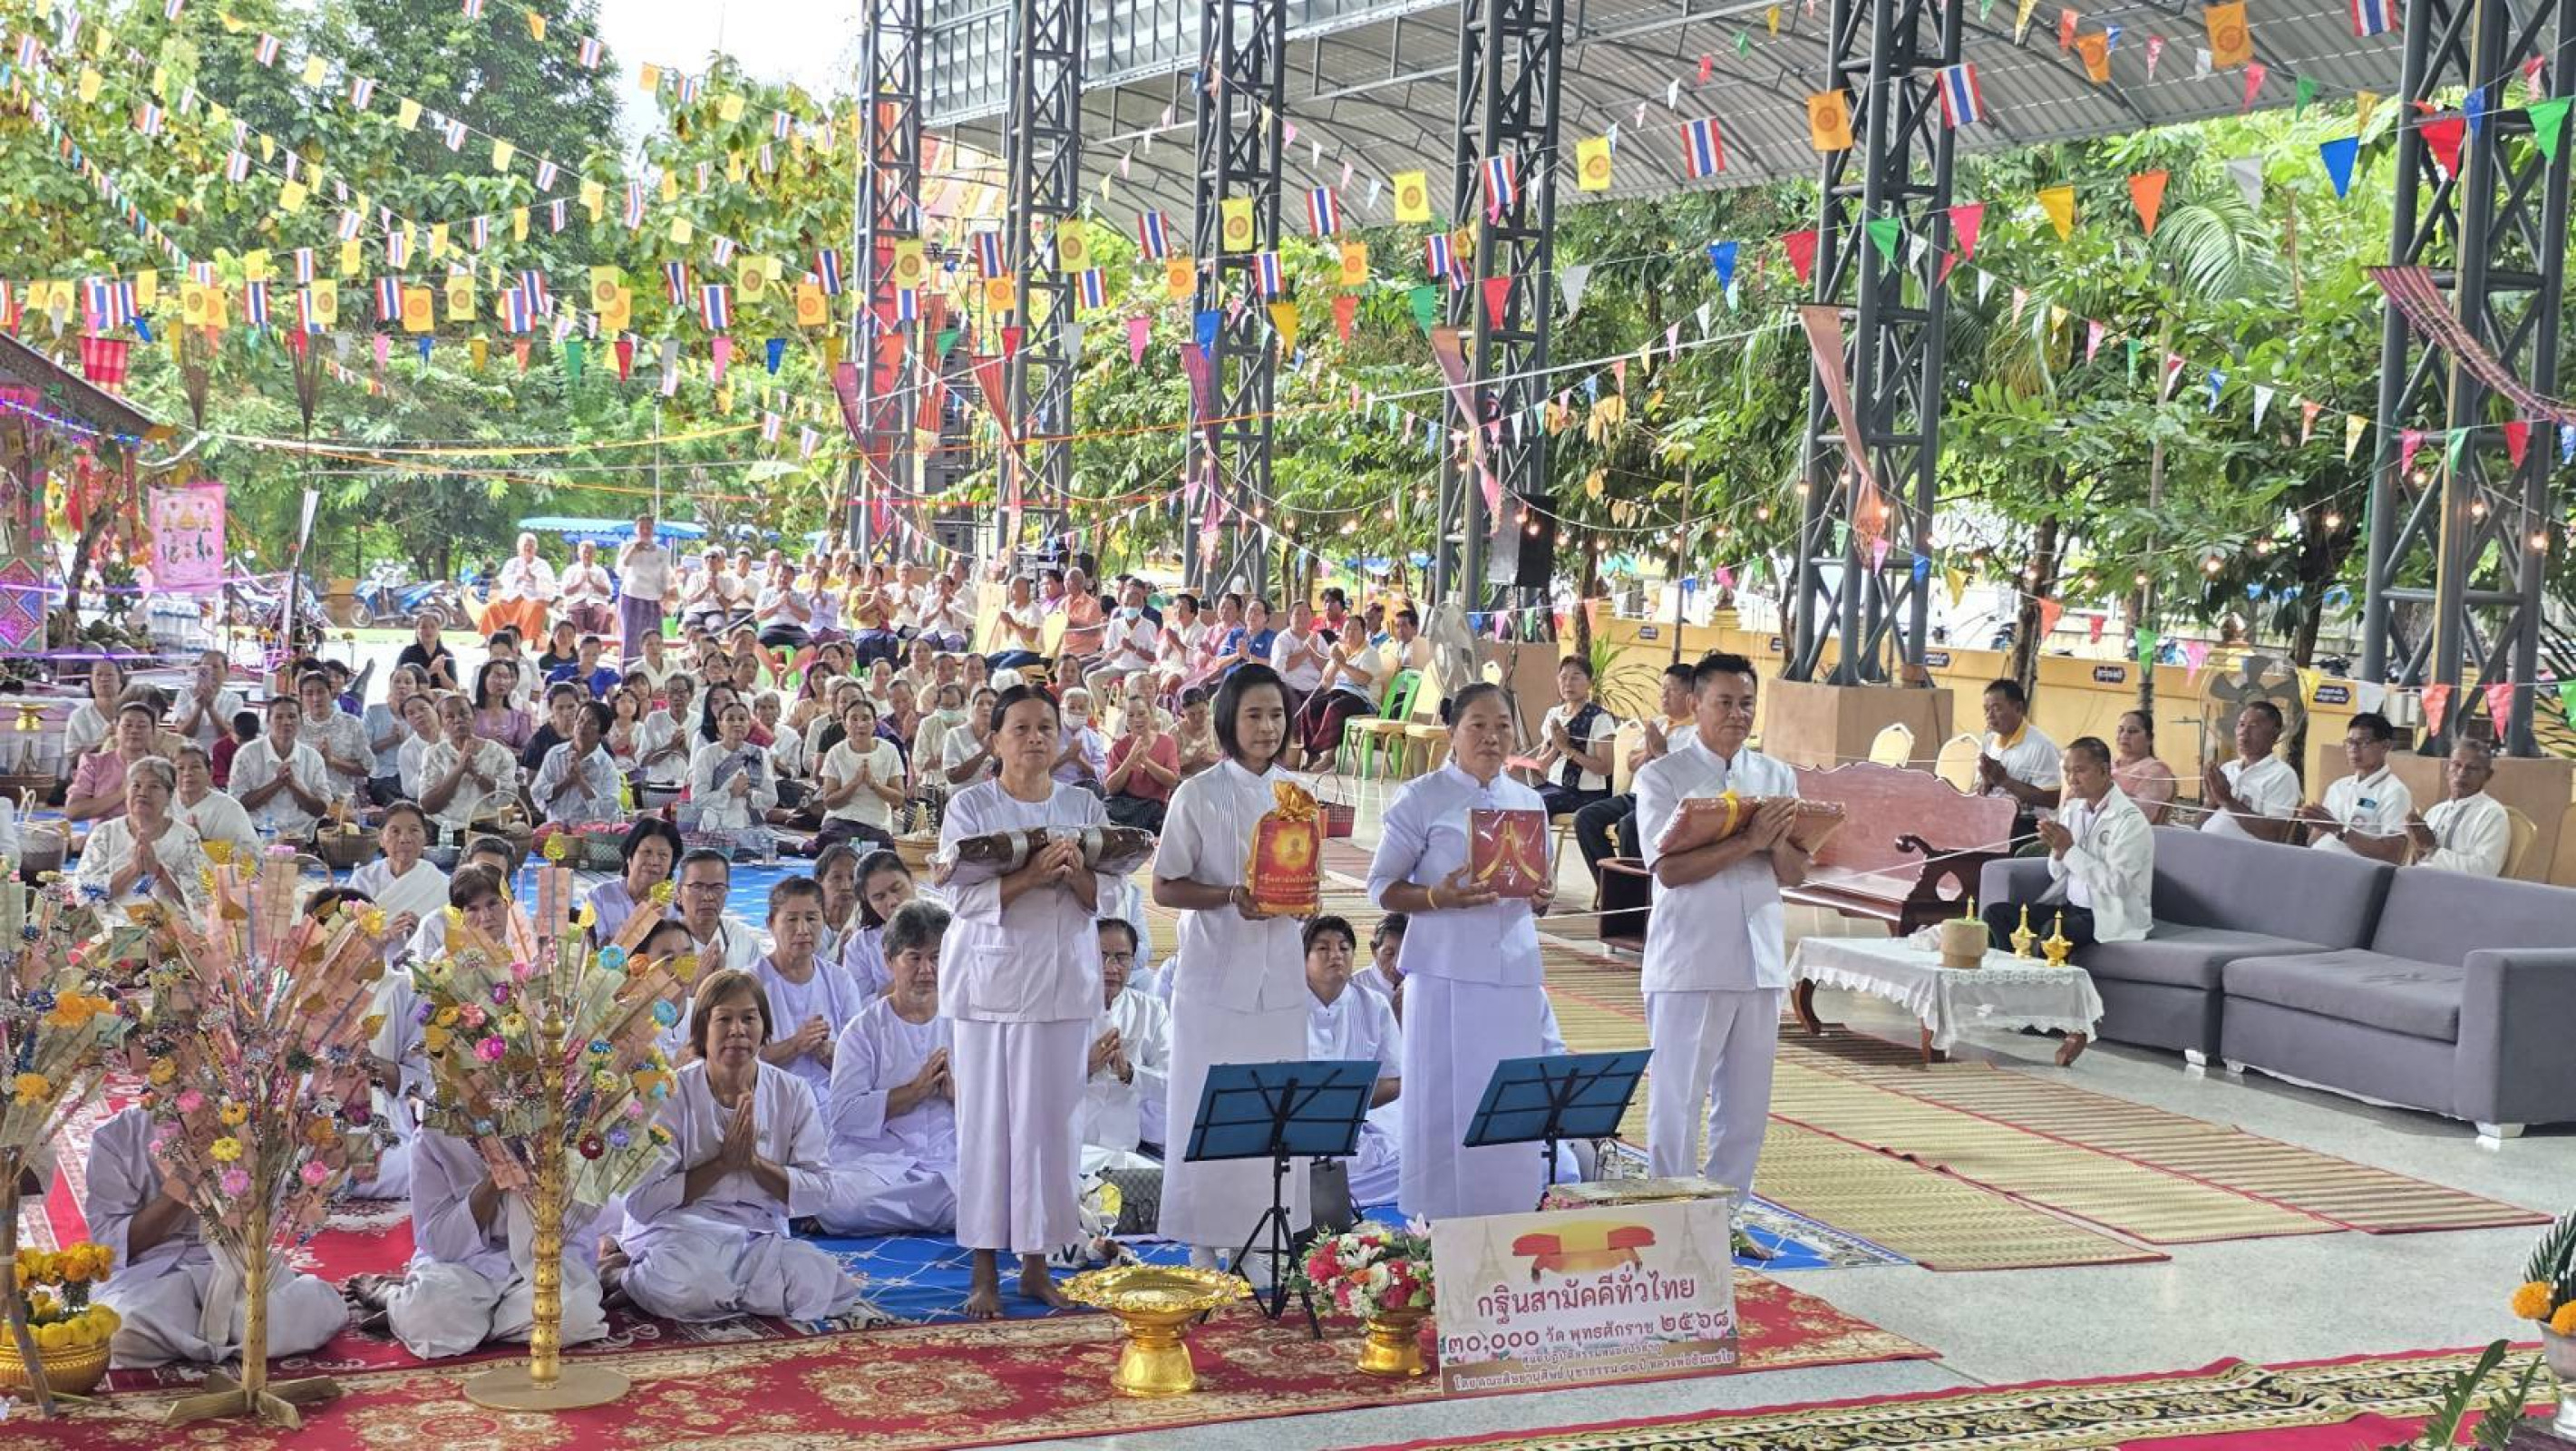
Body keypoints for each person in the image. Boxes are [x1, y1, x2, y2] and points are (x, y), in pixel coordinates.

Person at [938, 686, 1109, 1315]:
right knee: (987, 1127)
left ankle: (1037, 1265)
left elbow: (1111, 898)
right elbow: (957, 896)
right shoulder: (971, 806)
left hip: (1062, 984)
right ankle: (983, 1270)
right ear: (995, 739)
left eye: (1045, 727)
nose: (1034, 738)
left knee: (1052, 1128)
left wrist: (1075, 876)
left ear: (1061, 738)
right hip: (989, 989)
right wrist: (1031, 877)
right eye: (1020, 728)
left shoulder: (1082, 805)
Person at [1367, 682, 1556, 1220]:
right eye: (1478, 725)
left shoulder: (1528, 800)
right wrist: (1435, 896)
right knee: (1443, 1100)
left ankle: (1508, 1217)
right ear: (1453, 730)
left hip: (1514, 972)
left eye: (1503, 726)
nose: (1492, 738)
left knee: (1507, 1099)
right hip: (1445, 971)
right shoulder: (1422, 796)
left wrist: (1540, 897)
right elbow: (1381, 884)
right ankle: (1437, 1226)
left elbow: (1536, 893)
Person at [1153, 664, 1316, 1264]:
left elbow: (1303, 873)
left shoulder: (1297, 796)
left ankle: (1265, 1241)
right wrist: (1228, 898)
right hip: (1215, 975)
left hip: (1278, 977)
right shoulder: (1198, 794)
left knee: (1273, 1104)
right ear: (1229, 721)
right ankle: (1203, 1240)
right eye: (1253, 714)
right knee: (1210, 1104)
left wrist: (1301, 900)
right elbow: (1166, 886)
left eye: (1276, 714)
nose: (1267, 727)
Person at [1633, 652, 1810, 1201]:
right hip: (1692, 958)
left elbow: (1796, 873)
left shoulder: (1776, 775)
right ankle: (1673, 1208)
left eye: (1747, 703)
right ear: (1695, 705)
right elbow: (1668, 870)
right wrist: (1746, 843)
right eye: (1725, 703)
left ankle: (1730, 1212)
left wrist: (1776, 841)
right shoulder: (1664, 777)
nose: (1737, 714)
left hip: (1758, 959)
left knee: (1747, 1103)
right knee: (1678, 1098)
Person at [609, 970, 870, 1323]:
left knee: (822, 1281)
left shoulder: (791, 1092)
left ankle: (726, 1292)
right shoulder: (671, 1094)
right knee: (690, 1286)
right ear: (702, 1030)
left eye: (749, 1018)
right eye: (724, 1020)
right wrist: (720, 1165)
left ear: (765, 1027)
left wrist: (752, 1164)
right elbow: (640, 1203)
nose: (738, 1030)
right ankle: (629, 1275)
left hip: (756, 1238)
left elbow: (820, 1193)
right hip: (681, 1233)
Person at [84, 1104, 349, 1368]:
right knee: (121, 1331)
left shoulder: (243, 1117)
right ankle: (234, 1335)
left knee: (322, 1309)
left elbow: (276, 1211)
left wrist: (299, 1157)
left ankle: (218, 1334)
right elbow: (111, 1248)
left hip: (238, 1263)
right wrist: (183, 1186)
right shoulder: (116, 1136)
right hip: (156, 1276)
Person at [371, 1122, 610, 1359]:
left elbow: (584, 1212)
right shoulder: (435, 1132)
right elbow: (439, 1241)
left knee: (573, 1318)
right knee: (427, 1318)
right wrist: (495, 1179)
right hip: (464, 1264)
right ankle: (399, 1298)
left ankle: (476, 1321)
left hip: (546, 1257)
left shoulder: (565, 1113)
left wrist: (540, 1165)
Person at [817, 900, 960, 1235]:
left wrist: (958, 1095)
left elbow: (998, 1111)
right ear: (888, 961)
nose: (926, 970)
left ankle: (945, 1210)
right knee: (839, 1204)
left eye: (936, 958)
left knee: (1006, 1189)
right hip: (881, 1164)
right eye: (914, 957)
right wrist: (912, 1093)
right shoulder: (863, 1030)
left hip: (949, 1160)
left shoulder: (965, 1024)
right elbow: (844, 1114)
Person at [1982, 737, 2153, 961]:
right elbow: (2058, 874)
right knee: (1996, 915)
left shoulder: (2129, 820)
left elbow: (2117, 884)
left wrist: (2069, 850)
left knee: (2054, 932)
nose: (2072, 779)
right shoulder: (2074, 810)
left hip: (2109, 914)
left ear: (2103, 770)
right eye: (2067, 771)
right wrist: (2057, 850)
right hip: (2072, 908)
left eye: (2080, 771)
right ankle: (2013, 972)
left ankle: (2032, 986)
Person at [1302, 915, 1403, 1206]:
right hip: (1296, 1136)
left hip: (1355, 1130)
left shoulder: (1373, 1004)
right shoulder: (1283, 1007)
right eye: (1323, 948)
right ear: (1303, 959)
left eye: (1344, 948)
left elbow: (1394, 1081)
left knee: (1413, 1171)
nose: (1336, 955)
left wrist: (1345, 1103)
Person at [1574, 662, 1696, 882]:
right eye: (1662, 689)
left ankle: (1637, 895)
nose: (1664, 696)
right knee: (1585, 818)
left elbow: (1684, 778)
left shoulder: (1696, 733)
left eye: (1672, 690)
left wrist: (1660, 752)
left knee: (1629, 826)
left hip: (1667, 801)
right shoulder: (1659, 723)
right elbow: (1631, 762)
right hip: (1636, 796)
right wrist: (1649, 751)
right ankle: (1611, 886)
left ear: (1690, 696)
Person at [753, 876, 872, 1102]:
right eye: (791, 920)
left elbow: (860, 1058)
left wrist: (828, 1052)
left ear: (824, 920)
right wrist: (795, 1045)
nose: (802, 929)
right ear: (770, 924)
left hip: (831, 1101)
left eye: (811, 918)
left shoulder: (840, 980)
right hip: (771, 1101)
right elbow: (741, 1060)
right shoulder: (751, 983)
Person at [1078, 918, 1171, 1175]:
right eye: (1102, 956)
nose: (1111, 968)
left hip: (1125, 1154)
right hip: (1071, 1151)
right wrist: (1084, 1068)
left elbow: (1173, 1085)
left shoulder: (1150, 1011)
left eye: (1121, 958)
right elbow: (1035, 1086)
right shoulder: (1063, 1011)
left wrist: (1131, 1074)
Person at [73, 758, 208, 907]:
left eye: (154, 787)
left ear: (170, 796)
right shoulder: (105, 833)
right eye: (136, 785)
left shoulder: (186, 837)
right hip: (113, 924)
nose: (143, 793)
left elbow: (200, 903)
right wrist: (132, 870)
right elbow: (83, 896)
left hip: (172, 925)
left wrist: (158, 872)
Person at [2298, 712, 2415, 857]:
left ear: (2385, 746)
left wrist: (2338, 829)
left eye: (2363, 743)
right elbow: (2312, 842)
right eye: (2350, 742)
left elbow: (2392, 855)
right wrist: (2317, 823)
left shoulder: (2394, 792)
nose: (2354, 749)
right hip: (2319, 859)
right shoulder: (2338, 787)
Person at [421, 695, 522, 843]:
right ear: (442, 723)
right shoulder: (434, 754)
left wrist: (475, 772)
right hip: (445, 833)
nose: (458, 720)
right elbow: (428, 806)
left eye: (463, 713)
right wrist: (460, 769)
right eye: (449, 716)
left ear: (474, 716)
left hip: (487, 832)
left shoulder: (499, 753)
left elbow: (507, 797)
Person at [230, 696, 334, 840]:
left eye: (292, 716)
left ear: (301, 721)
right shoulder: (247, 754)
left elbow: (320, 809)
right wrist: (276, 784)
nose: (286, 722)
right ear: (267, 721)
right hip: (258, 831)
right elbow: (238, 803)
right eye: (278, 717)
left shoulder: (313, 757)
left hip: (304, 833)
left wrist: (294, 786)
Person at [2406, 736, 2513, 875]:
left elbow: (2485, 871)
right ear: (2446, 770)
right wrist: (2416, 849)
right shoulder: (2435, 811)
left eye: (2472, 768)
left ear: (2488, 775)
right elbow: (2419, 862)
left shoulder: (2492, 814)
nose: (2462, 773)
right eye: (2457, 765)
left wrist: (2433, 849)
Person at [1527, 656, 1617, 819]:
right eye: (1563, 677)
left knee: (1534, 805)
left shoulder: (1600, 718)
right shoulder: (1553, 715)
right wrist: (1556, 747)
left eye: (1575, 677)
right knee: (1520, 800)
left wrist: (1567, 750)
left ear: (1590, 682)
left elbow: (1606, 768)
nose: (1568, 683)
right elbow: (1542, 765)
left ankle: (1537, 845)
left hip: (1586, 794)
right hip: (1554, 787)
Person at [2198, 700, 2299, 842]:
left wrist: (2228, 800)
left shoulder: (2283, 775)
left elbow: (2274, 834)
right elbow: (2199, 826)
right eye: (2241, 725)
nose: (2243, 733)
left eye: (2254, 726)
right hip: (2206, 844)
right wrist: (2211, 802)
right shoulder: (2228, 768)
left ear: (2275, 734)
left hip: (2245, 856)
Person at [816, 696, 906, 849]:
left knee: (875, 854)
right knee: (835, 849)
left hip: (875, 824)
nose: (860, 725)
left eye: (866, 719)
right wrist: (854, 783)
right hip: (840, 821)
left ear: (875, 723)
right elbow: (829, 802)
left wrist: (874, 785)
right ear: (845, 725)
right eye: (854, 719)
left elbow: (899, 798)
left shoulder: (889, 750)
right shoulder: (836, 752)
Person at [686, 698, 777, 846]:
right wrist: (730, 793)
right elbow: (697, 800)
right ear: (720, 725)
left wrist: (748, 794)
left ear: (749, 724)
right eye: (730, 719)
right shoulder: (708, 754)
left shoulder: (759, 754)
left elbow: (771, 798)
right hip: (717, 831)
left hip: (752, 828)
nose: (737, 723)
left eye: (742, 719)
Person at [349, 803, 449, 935]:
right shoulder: (363, 878)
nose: (404, 839)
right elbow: (348, 931)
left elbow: (451, 936)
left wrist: (424, 930)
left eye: (414, 830)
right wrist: (386, 935)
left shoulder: (439, 883)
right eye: (395, 831)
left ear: (425, 838)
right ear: (381, 839)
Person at [1974, 679, 2063, 824]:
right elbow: (1981, 792)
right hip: (1991, 818)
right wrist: (1986, 781)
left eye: (1996, 708)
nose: (1989, 715)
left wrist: (2005, 781)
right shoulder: (1988, 741)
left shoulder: (2042, 746)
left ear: (2018, 708)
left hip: (2027, 825)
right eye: (1986, 709)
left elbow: (2053, 799)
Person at [588, 816, 685, 942]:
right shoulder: (600, 896)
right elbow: (599, 952)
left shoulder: (678, 903)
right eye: (647, 852)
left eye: (663, 855)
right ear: (630, 856)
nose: (654, 861)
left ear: (671, 864)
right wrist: (642, 924)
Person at [838, 848, 921, 995]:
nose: (892, 902)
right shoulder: (860, 946)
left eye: (897, 888)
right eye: (879, 897)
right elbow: (857, 1006)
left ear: (912, 880)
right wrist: (908, 979)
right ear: (868, 901)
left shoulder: (946, 926)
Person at [64, 701, 162, 823]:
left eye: (142, 726)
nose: (134, 731)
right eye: (127, 725)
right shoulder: (94, 763)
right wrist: (120, 794)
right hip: (103, 837)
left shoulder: (162, 768)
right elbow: (73, 812)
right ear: (115, 729)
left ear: (153, 732)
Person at [533, 700, 623, 828]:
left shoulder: (606, 765)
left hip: (590, 832)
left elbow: (607, 812)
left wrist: (580, 780)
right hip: (555, 829)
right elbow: (538, 794)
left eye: (591, 723)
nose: (583, 726)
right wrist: (567, 781)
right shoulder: (555, 754)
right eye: (580, 720)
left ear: (602, 733)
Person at [297, 668, 374, 811]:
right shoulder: (296, 726)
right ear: (301, 697)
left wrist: (332, 761)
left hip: (340, 801)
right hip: (301, 801)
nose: (316, 698)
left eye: (321, 692)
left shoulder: (351, 724)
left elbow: (366, 769)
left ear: (331, 693)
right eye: (309, 693)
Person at [1103, 696, 1180, 831]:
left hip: (1154, 807)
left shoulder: (1167, 742)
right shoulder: (1118, 747)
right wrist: (1130, 759)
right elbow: (1110, 789)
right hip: (1123, 806)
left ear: (1151, 714)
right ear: (1126, 720)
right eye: (1131, 715)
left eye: (1142, 713)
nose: (1137, 719)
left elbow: (1172, 782)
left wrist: (1145, 761)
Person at [172, 745, 258, 858]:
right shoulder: (162, 804)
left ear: (210, 772)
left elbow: (253, 856)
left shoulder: (229, 808)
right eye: (180, 768)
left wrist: (203, 843)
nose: (187, 773)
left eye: (195, 767)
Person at [2111, 709, 2178, 825]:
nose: (2124, 735)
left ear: (2149, 738)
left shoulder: (2157, 772)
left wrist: (2101, 790)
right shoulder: (2106, 763)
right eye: (2120, 730)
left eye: (2132, 731)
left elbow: (2139, 816)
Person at [489, 531, 558, 643]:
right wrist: (518, 577)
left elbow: (550, 586)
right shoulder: (512, 563)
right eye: (525, 545)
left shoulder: (543, 565)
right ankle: (494, 639)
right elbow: (504, 580)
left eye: (531, 546)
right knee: (492, 607)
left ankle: (524, 640)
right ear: (519, 547)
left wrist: (534, 578)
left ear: (536, 548)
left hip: (532, 598)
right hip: (511, 599)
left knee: (536, 608)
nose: (528, 548)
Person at [173, 648, 248, 749]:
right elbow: (184, 733)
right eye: (205, 667)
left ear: (226, 672)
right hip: (191, 752)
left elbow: (228, 735)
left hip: (221, 752)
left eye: (215, 667)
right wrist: (199, 707)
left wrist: (210, 707)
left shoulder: (235, 699)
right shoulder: (185, 695)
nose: (210, 671)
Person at [1269, 599, 1328, 720]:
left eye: (1306, 614)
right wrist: (1306, 651)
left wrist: (1313, 653)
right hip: (1290, 686)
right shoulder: (1282, 639)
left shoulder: (1318, 638)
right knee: (1292, 703)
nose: (1302, 618)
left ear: (1312, 617)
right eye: (1298, 614)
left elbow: (1327, 667)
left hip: (1314, 686)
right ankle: (1294, 738)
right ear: (1290, 617)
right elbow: (1281, 667)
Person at [61, 657, 126, 761]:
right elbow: (72, 759)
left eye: (109, 675)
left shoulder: (132, 713)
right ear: (91, 681)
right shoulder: (79, 716)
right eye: (98, 675)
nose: (103, 679)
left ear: (121, 681)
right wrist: (103, 742)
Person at [941, 686, 1002, 788]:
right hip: (962, 800)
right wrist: (985, 751)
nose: (985, 708)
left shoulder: (1004, 735)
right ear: (972, 708)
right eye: (980, 704)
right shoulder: (956, 734)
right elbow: (952, 777)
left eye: (991, 704)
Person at [471, 658, 534, 753]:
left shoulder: (520, 718)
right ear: (484, 679)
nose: (502, 682)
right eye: (496, 676)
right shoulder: (470, 714)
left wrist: (504, 749)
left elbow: (528, 754)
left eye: (506, 677)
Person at [987, 575, 1047, 672]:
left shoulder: (1034, 610)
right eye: (1010, 588)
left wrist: (1012, 623)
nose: (1010, 591)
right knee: (986, 663)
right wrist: (1005, 623)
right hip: (1011, 650)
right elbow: (1008, 636)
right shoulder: (1011, 607)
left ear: (1024, 591)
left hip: (1029, 653)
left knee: (1003, 668)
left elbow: (1031, 638)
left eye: (1013, 588)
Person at [559, 539, 617, 638]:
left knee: (603, 615)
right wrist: (580, 582)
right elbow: (565, 592)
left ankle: (597, 642)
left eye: (590, 553)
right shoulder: (571, 570)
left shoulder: (600, 571)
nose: (587, 555)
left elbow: (608, 592)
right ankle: (579, 642)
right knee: (574, 615)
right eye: (585, 552)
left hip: (596, 601)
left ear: (594, 554)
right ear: (579, 554)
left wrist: (593, 583)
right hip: (576, 601)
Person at [1350, 911, 1408, 1005]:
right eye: (1389, 953)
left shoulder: (1421, 984)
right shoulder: (1354, 987)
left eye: (1404, 954)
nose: (1397, 964)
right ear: (1374, 949)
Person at [396, 611, 460, 694]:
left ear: (439, 630)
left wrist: (441, 672)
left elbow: (453, 689)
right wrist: (431, 670)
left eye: (433, 627)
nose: (428, 630)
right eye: (423, 627)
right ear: (417, 631)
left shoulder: (446, 654)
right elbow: (401, 683)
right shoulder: (408, 653)